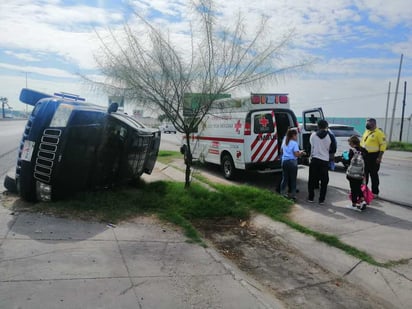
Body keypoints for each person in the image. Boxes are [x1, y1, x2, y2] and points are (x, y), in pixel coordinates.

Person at [307, 120, 337, 204]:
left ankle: (311, 198)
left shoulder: (313, 135)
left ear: (318, 126)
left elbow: (311, 146)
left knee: (312, 180)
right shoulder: (330, 136)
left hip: (314, 159)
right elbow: (333, 149)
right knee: (324, 181)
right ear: (326, 126)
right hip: (324, 161)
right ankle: (321, 200)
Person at [360, 118, 386, 197]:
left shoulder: (379, 133)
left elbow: (383, 145)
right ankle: (364, 190)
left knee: (373, 175)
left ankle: (375, 192)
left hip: (374, 156)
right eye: (366, 123)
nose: (366, 125)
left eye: (368, 124)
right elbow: (363, 142)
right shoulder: (366, 132)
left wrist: (379, 157)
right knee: (364, 174)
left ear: (373, 124)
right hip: (365, 155)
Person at [280, 128, 305, 201]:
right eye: (296, 135)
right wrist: (301, 153)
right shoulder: (294, 143)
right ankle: (293, 195)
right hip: (292, 162)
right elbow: (296, 154)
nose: (297, 137)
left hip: (284, 161)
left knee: (285, 178)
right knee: (293, 179)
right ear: (293, 135)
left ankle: (282, 193)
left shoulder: (285, 142)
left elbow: (281, 151)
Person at [346, 135, 367, 211]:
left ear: (352, 143)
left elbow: (349, 162)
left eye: (349, 143)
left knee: (353, 189)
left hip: (352, 174)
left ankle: (354, 205)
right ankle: (362, 201)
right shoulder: (364, 150)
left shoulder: (352, 150)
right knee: (358, 187)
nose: (349, 144)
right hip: (360, 173)